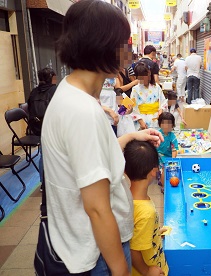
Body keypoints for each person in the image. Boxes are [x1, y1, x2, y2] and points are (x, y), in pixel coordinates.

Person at [39, 1, 163, 275]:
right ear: (103, 45)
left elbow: (88, 162)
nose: (128, 52)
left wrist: (131, 135)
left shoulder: (69, 94)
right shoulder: (83, 111)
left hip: (75, 244)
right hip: (97, 256)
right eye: (124, 43)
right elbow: (96, 208)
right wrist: (119, 268)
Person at [124, 140, 168, 276]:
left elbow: (136, 232)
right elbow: (133, 249)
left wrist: (155, 231)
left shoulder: (127, 196)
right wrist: (147, 271)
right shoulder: (146, 212)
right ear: (154, 172)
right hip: (151, 269)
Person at [27, 67, 57, 185]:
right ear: (52, 78)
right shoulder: (55, 90)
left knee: (43, 154)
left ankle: (42, 182)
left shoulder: (33, 91)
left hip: (38, 128)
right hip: (53, 128)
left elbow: (29, 109)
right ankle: (50, 182)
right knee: (52, 154)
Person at [131, 62, 167, 130]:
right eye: (140, 77)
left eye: (144, 76)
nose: (143, 79)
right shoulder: (135, 89)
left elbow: (163, 102)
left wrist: (161, 111)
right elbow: (133, 107)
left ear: (149, 73)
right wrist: (140, 121)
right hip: (141, 119)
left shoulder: (157, 87)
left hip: (155, 118)